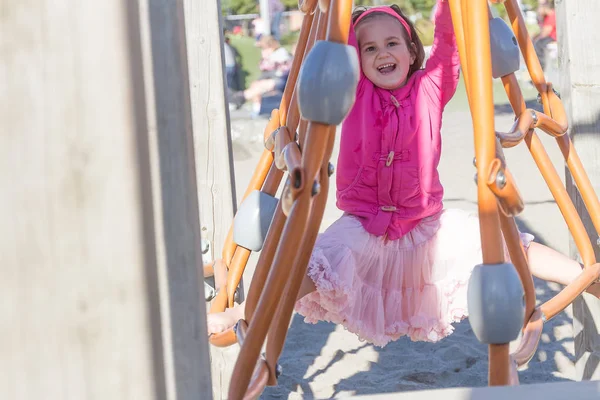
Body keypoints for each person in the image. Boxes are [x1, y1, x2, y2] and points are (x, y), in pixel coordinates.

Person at [208, 1, 600, 345]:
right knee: (308, 265)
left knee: (504, 241)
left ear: (412, 51)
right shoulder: (356, 91)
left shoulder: (432, 88)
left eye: (392, 43)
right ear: (357, 60)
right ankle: (245, 314)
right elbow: (338, 38)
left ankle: (586, 276)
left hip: (427, 224)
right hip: (363, 224)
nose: (382, 53)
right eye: (370, 48)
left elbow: (449, 45)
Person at [229, 35, 292, 115]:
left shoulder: (281, 54)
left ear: (270, 46)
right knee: (256, 85)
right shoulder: (273, 54)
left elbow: (281, 72)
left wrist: (267, 58)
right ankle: (254, 106)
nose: (262, 51)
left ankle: (240, 98)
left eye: (263, 48)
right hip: (274, 79)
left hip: (281, 80)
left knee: (260, 86)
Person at [533, 0, 557, 72]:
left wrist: (537, 37)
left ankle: (541, 68)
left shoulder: (552, 15)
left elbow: (545, 33)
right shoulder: (546, 17)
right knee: (535, 41)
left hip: (553, 38)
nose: (538, 10)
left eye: (540, 8)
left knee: (538, 44)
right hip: (550, 37)